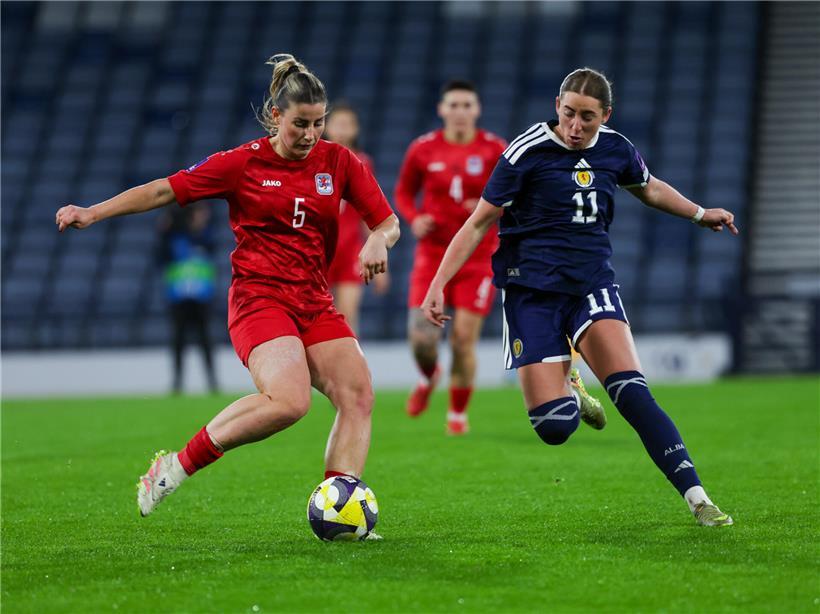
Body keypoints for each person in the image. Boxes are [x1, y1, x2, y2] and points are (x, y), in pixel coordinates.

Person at [56, 54, 400, 529]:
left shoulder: (339, 161)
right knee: (290, 401)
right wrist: (93, 212)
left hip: (313, 300)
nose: (311, 135)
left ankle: (339, 509)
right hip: (260, 300)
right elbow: (163, 191)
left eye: (319, 124)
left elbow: (387, 222)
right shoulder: (242, 164)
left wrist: (378, 240)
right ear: (277, 116)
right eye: (301, 123)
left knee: (358, 393)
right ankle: (174, 466)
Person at [422, 68, 736, 526]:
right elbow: (477, 223)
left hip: (591, 286)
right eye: (568, 114)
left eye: (587, 118)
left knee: (633, 393)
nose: (574, 127)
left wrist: (698, 213)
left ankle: (698, 498)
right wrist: (437, 284)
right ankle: (570, 382)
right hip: (531, 293)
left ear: (605, 115)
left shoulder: (615, 148)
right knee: (554, 428)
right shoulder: (525, 152)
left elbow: (647, 187)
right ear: (556, 107)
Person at [397, 80, 604, 435]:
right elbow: (403, 192)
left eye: (467, 105)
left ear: (476, 110)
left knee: (463, 338)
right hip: (432, 255)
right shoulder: (422, 150)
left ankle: (457, 415)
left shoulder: (495, 148)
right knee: (422, 341)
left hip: (479, 258)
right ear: (442, 109)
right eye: (454, 105)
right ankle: (429, 376)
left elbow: (520, 195)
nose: (460, 112)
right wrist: (415, 219)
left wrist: (487, 210)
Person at [323, 102, 390, 334]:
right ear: (326, 126)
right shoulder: (313, 159)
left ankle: (349, 369)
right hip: (320, 249)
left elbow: (369, 213)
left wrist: (381, 263)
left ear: (356, 129)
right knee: (318, 318)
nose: (342, 130)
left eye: (347, 124)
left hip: (351, 250)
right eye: (337, 123)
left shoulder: (363, 162)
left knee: (348, 317)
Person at [157, 204, 219, 394]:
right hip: (179, 298)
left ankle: (212, 383)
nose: (204, 217)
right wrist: (163, 233)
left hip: (201, 298)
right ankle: (177, 383)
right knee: (178, 342)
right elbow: (160, 258)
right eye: (201, 213)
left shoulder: (206, 237)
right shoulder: (174, 239)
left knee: (206, 342)